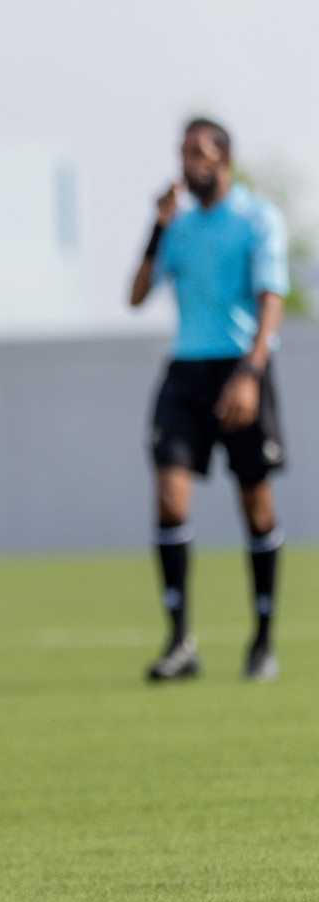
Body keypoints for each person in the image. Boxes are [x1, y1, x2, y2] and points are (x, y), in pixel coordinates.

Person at [129, 118, 288, 682]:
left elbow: (272, 298)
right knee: (169, 498)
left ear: (223, 158)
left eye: (197, 151)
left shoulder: (256, 217)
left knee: (256, 506)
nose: (186, 161)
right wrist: (157, 227)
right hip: (186, 371)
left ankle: (263, 640)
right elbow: (136, 295)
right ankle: (179, 642)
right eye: (181, 151)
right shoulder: (180, 226)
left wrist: (251, 370)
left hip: (240, 367)